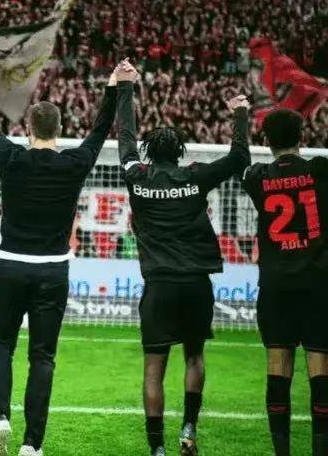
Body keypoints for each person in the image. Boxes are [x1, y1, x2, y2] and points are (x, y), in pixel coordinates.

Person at [0, 52, 118, 456]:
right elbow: (101, 130)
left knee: (2, 345)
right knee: (42, 357)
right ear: (60, 129)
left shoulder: (12, 157)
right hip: (53, 270)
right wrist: (113, 88)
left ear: (28, 128)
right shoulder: (74, 163)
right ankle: (32, 445)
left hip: (12, 265)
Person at [116, 58, 251, 456]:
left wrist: (125, 86)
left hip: (159, 286)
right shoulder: (195, 176)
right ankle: (189, 428)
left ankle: (157, 449)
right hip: (195, 284)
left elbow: (125, 136)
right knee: (194, 357)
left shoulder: (137, 177)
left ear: (149, 153)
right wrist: (240, 114)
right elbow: (239, 157)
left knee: (153, 369)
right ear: (179, 153)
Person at [242, 108, 328, 456]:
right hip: (319, 285)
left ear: (266, 141)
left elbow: (244, 165)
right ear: (302, 137)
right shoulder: (320, 170)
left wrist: (240, 117)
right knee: (321, 371)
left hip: (276, 288)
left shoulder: (257, 177)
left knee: (278, 370)